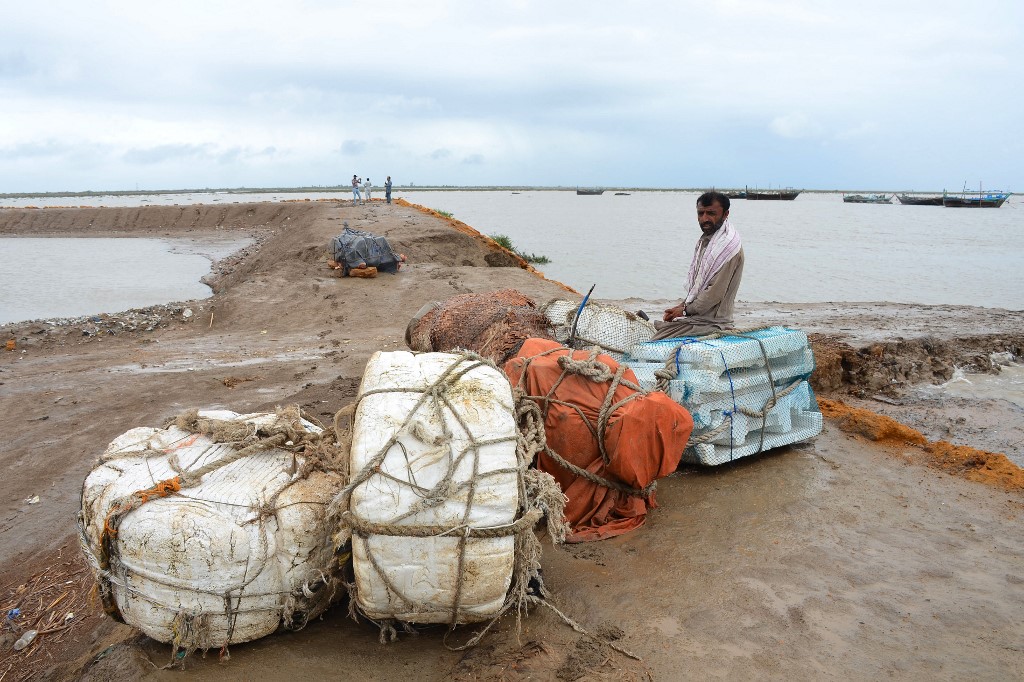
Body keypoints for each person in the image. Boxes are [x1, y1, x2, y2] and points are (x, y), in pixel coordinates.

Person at [651, 191, 744, 340]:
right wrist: (681, 306)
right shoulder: (707, 241)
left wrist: (685, 311)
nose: (704, 219)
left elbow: (713, 294)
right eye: (701, 213)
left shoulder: (727, 248)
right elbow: (698, 286)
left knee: (656, 339)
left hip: (713, 321)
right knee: (659, 326)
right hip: (699, 317)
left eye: (711, 213)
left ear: (726, 214)